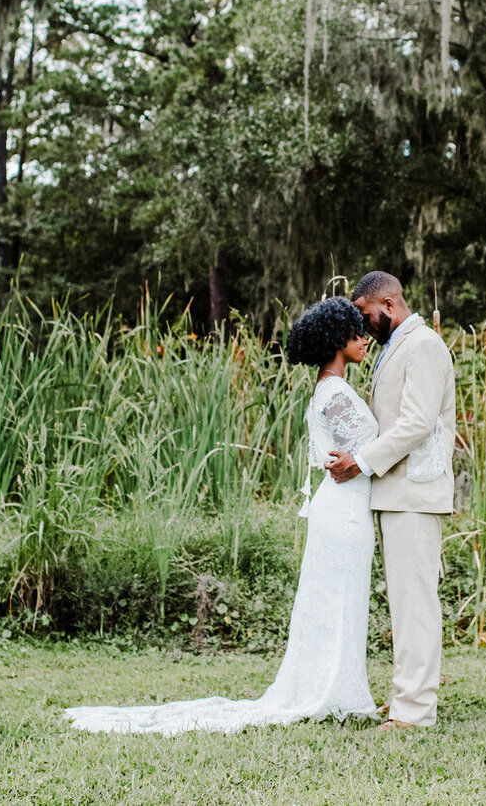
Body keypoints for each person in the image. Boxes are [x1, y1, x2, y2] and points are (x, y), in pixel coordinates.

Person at [64, 297, 380, 734]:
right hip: (344, 510)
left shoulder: (330, 390)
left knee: (338, 602)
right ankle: (330, 693)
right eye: (354, 332)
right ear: (335, 339)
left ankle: (339, 691)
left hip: (344, 508)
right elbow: (363, 452)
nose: (363, 339)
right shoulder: (335, 393)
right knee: (336, 602)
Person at [326, 270, 455, 731]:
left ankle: (415, 712)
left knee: (414, 603)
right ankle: (406, 695)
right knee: (404, 603)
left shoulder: (423, 346)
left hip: (415, 494)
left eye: (364, 314)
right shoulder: (395, 349)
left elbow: (418, 422)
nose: (362, 327)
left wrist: (361, 460)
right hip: (397, 494)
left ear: (388, 303)